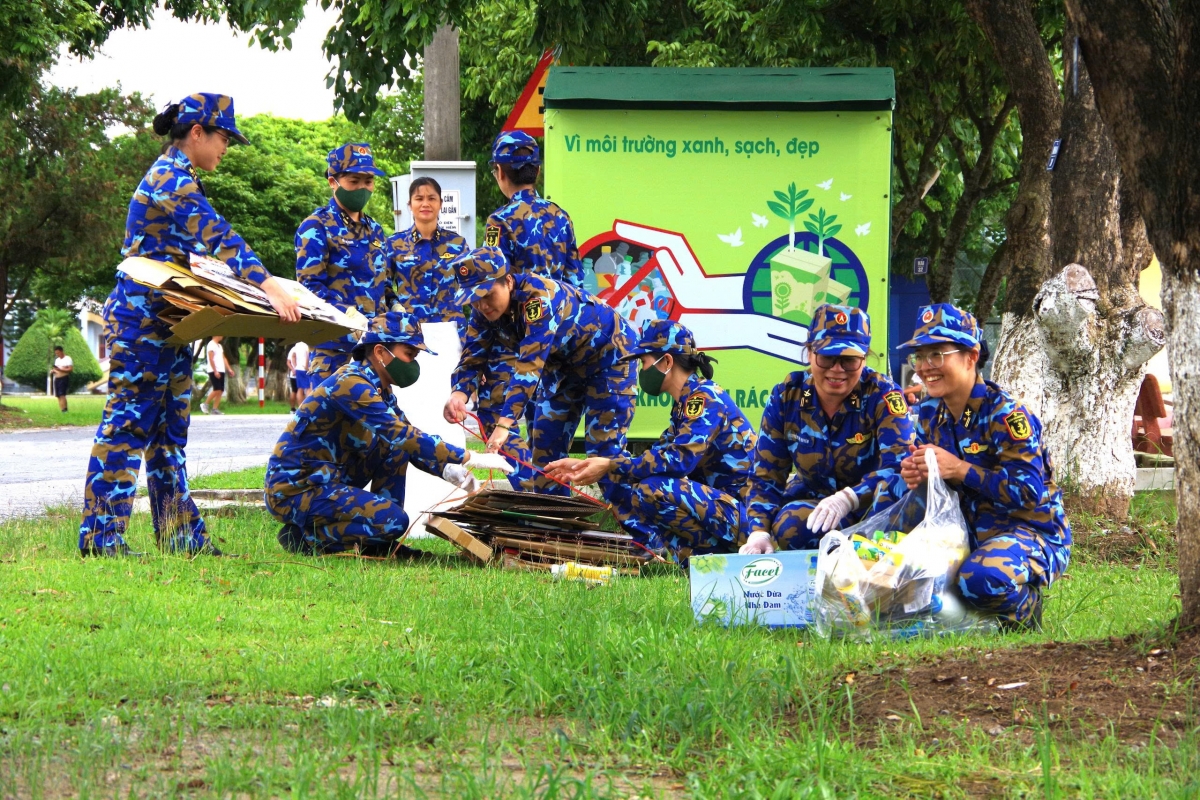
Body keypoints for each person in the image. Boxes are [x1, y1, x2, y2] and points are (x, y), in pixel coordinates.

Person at [79, 93, 300, 558]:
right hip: (141, 321)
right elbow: (218, 234)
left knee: (169, 436)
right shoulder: (169, 178)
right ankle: (101, 541)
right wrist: (270, 287)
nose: (227, 147)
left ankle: (180, 536)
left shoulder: (184, 178)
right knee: (126, 428)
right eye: (223, 138)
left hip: (173, 322)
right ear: (196, 132)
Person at [265, 312, 514, 557]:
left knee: (395, 451)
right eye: (409, 354)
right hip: (295, 490)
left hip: (327, 479)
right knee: (395, 521)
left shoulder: (378, 389)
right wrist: (469, 457)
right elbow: (402, 434)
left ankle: (378, 543)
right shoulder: (351, 384)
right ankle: (305, 538)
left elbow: (407, 438)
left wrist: (447, 469)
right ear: (380, 353)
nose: (413, 363)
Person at [898, 303, 1071, 629]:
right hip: (965, 533)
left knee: (977, 580)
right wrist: (917, 475)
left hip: (1030, 533)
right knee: (896, 569)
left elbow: (1029, 494)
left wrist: (960, 469)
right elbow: (932, 487)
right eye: (919, 357)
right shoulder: (930, 414)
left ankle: (1024, 610)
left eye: (937, 355)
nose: (924, 367)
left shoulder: (1006, 415)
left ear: (971, 356)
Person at [546, 320, 757, 563]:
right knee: (642, 487)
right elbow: (655, 456)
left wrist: (610, 466)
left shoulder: (705, 399)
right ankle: (704, 564)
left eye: (644, 363)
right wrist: (593, 465)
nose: (641, 371)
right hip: (731, 513)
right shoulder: (684, 406)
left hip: (752, 520)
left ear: (667, 362)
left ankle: (721, 558)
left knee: (653, 490)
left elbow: (678, 461)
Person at [443, 246, 636, 499]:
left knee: (603, 453)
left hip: (609, 359)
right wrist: (459, 393)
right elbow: (473, 354)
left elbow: (530, 364)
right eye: (474, 300)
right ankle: (555, 523)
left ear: (508, 281)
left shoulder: (537, 298)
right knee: (545, 452)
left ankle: (634, 521)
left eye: (487, 295)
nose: (482, 305)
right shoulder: (483, 311)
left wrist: (504, 425)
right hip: (563, 369)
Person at [740, 305, 916, 555]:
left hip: (876, 510)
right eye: (826, 357)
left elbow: (899, 466)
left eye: (849, 360)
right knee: (790, 525)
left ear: (864, 359)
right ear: (809, 353)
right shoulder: (787, 396)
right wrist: (758, 532)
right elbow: (766, 474)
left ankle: (870, 555)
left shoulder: (882, 395)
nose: (837, 369)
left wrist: (849, 498)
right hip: (819, 512)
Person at [296, 143, 390, 382]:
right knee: (330, 419)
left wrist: (396, 307)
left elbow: (383, 284)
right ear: (332, 182)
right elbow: (308, 289)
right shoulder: (316, 227)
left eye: (368, 181)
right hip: (334, 353)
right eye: (353, 181)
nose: (362, 188)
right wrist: (346, 314)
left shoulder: (376, 230)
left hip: (375, 352)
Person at [485, 131, 585, 288]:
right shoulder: (561, 216)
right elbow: (575, 281)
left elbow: (492, 281)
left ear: (500, 171)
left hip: (521, 312)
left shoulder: (499, 221)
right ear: (537, 171)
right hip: (560, 311)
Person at [388, 177, 469, 325]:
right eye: (419, 199)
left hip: (449, 328)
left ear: (440, 204)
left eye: (432, 198)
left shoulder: (457, 244)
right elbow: (383, 286)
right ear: (410, 205)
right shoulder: (395, 244)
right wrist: (395, 306)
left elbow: (471, 286)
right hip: (410, 329)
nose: (425, 204)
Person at [201, 335, 228, 415]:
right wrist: (215, 371)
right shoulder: (211, 344)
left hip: (221, 370)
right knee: (217, 389)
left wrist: (229, 369)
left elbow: (223, 358)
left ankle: (215, 409)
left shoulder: (219, 346)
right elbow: (211, 358)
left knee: (221, 390)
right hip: (214, 370)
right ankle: (205, 404)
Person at [287, 340, 311, 409]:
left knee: (300, 389)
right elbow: (307, 355)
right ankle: (308, 407)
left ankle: (300, 408)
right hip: (305, 368)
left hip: (298, 369)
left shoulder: (297, 345)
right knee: (308, 388)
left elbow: (293, 356)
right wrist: (306, 366)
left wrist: (295, 366)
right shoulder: (306, 344)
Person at [51, 346, 73, 413]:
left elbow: (70, 369)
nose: (57, 354)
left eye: (58, 353)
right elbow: (56, 368)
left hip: (63, 378)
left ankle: (65, 409)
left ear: (61, 351)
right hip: (57, 378)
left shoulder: (67, 359)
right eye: (56, 353)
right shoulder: (57, 360)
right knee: (58, 395)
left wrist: (61, 369)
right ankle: (61, 409)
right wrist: (53, 371)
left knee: (62, 394)